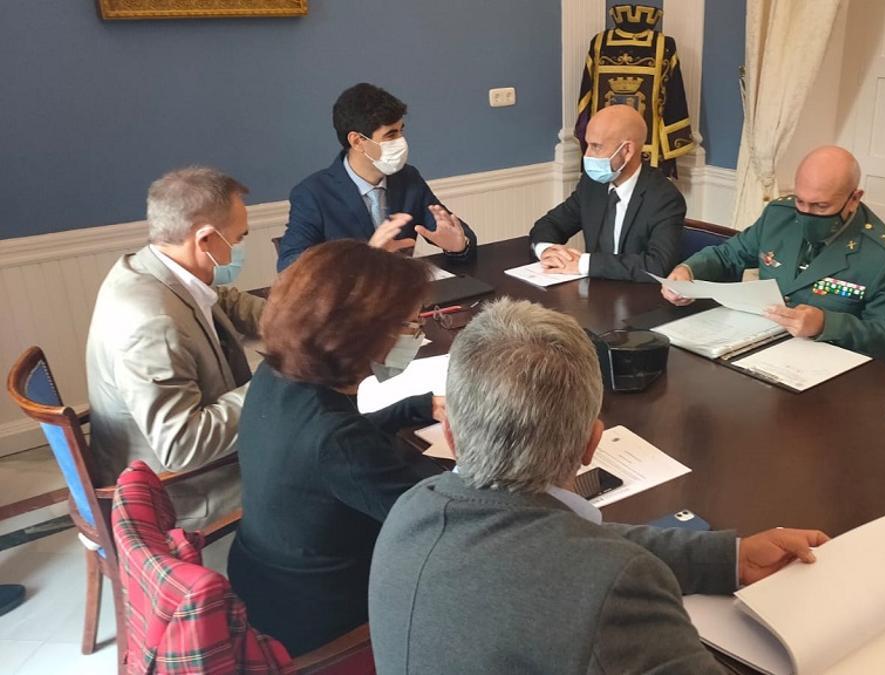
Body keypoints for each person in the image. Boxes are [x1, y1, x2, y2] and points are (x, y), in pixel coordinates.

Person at [369, 298, 829, 673]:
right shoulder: (611, 585)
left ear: (450, 435)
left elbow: (554, 539)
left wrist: (730, 558)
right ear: (593, 443)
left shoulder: (413, 509)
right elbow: (575, 557)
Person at [228, 240, 443, 655]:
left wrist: (416, 407)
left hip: (265, 577)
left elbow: (325, 450)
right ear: (360, 336)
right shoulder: (338, 442)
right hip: (324, 622)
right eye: (409, 328)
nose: (415, 338)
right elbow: (436, 518)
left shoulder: (277, 376)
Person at [86, 166, 262, 528]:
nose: (241, 246)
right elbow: (182, 446)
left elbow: (223, 302)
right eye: (239, 237)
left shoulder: (153, 269)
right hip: (177, 494)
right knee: (319, 470)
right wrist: (275, 381)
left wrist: (303, 321)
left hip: (172, 466)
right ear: (206, 240)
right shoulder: (152, 322)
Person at [662, 145, 885, 361]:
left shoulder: (884, 257)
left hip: (828, 366)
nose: (807, 213)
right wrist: (688, 271)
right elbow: (730, 255)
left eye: (821, 206)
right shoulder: (779, 216)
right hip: (758, 347)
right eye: (801, 201)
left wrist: (827, 324)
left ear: (854, 199)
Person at [277, 82, 477, 271]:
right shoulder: (312, 194)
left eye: (401, 131)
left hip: (404, 296)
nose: (401, 141)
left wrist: (459, 246)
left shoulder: (408, 178)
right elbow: (289, 266)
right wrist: (366, 258)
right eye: (390, 135)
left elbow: (456, 232)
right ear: (357, 141)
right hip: (347, 303)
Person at [530, 104, 685, 281]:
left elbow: (657, 265)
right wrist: (547, 250)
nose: (587, 155)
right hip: (595, 293)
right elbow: (549, 224)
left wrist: (583, 264)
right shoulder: (593, 184)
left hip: (641, 299)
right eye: (587, 145)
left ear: (627, 151)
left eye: (596, 146)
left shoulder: (664, 197)